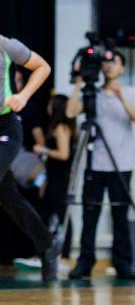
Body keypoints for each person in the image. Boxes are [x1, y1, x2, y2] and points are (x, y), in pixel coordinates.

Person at [66, 50, 135, 280]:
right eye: (106, 62)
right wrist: (79, 83)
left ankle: (123, 264)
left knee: (120, 216)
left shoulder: (130, 91)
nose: (109, 66)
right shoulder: (93, 94)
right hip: (95, 164)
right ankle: (85, 263)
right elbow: (70, 112)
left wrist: (121, 97)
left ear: (122, 67)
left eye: (114, 62)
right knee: (90, 217)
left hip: (122, 163)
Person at [0, 34, 60, 281]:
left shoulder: (4, 44)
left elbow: (42, 66)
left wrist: (23, 96)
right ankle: (46, 244)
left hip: (4, 127)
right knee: (9, 198)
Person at [33, 94, 76, 259]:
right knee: (47, 214)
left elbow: (64, 154)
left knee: (61, 215)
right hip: (53, 177)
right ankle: (43, 252)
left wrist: (44, 150)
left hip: (60, 179)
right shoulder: (56, 127)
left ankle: (63, 255)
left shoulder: (61, 128)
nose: (48, 107)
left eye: (51, 104)